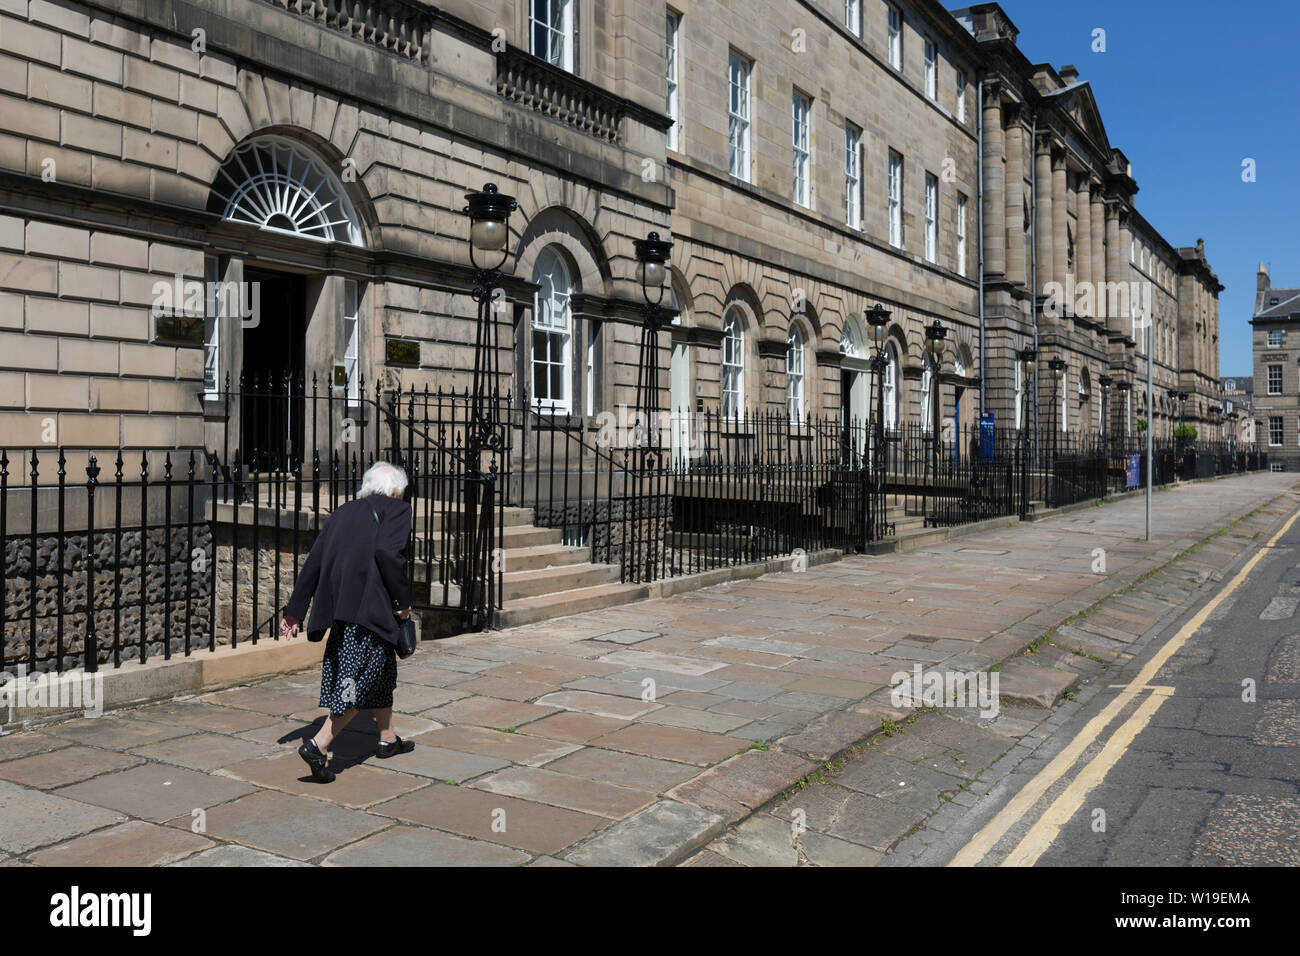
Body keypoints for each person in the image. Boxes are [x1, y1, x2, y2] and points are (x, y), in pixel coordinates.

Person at [281, 460, 415, 783]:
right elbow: (387, 552)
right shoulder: (397, 510)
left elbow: (315, 560)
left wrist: (294, 611)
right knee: (359, 683)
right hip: (370, 612)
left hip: (343, 610)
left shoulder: (343, 512)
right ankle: (320, 743)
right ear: (395, 490)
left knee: (381, 675)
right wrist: (402, 603)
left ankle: (387, 738)